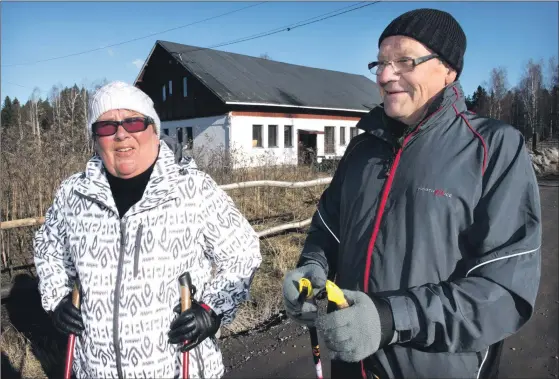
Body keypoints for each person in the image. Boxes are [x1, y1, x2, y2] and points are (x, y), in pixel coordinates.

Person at [282, 8, 541, 379]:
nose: (386, 76)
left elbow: (503, 290)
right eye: (381, 63)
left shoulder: (493, 150)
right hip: (349, 364)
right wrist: (313, 269)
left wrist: (390, 318)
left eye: (404, 61)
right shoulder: (362, 150)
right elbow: (328, 230)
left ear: (449, 69)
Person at [33, 81, 262, 379]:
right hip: (94, 369)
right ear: (95, 137)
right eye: (106, 126)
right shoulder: (73, 194)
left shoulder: (192, 188)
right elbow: (47, 249)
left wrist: (211, 310)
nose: (121, 134)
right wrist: (57, 298)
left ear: (154, 128)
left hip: (178, 368)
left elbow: (243, 253)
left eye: (134, 122)